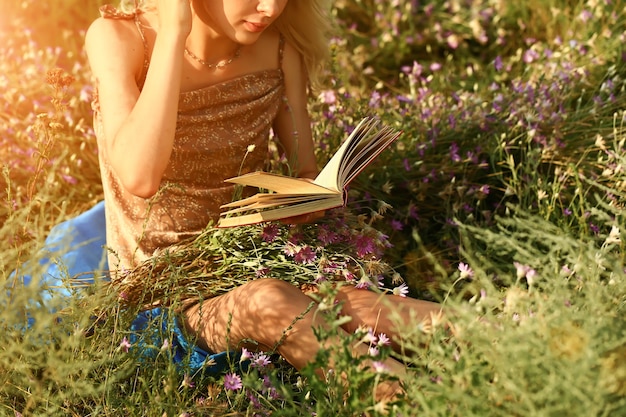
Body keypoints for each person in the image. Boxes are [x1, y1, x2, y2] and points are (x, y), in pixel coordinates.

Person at [84, 0, 444, 399]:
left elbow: (305, 169)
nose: (270, 7)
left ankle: (507, 331)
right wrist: (173, 30)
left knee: (361, 308)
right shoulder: (120, 39)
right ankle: (413, 401)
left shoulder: (278, 48)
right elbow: (140, 175)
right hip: (168, 294)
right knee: (270, 303)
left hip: (253, 258)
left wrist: (307, 201)